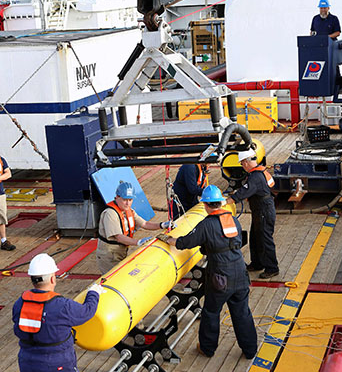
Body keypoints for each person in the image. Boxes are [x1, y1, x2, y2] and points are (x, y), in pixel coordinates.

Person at [164, 185, 258, 359]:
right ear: (220, 203)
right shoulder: (233, 220)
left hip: (221, 276)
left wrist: (171, 240)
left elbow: (187, 241)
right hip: (240, 272)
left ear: (206, 205)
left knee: (211, 312)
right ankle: (250, 350)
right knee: (242, 312)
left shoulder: (206, 224)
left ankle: (207, 348)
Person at [96, 181, 174, 274]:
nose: (127, 203)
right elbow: (119, 237)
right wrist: (138, 242)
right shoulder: (110, 214)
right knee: (114, 278)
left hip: (120, 251)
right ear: (117, 197)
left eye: (130, 200)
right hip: (109, 255)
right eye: (125, 200)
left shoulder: (129, 211)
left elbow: (144, 224)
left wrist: (161, 225)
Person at [227, 149, 279, 279]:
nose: (243, 166)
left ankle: (272, 268)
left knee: (265, 239)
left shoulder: (255, 177)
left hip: (263, 211)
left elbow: (242, 193)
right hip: (260, 210)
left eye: (242, 163)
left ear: (246, 162)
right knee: (255, 238)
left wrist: (225, 202)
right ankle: (257, 263)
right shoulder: (260, 172)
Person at [0, 154, 15, 251]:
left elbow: (8, 173)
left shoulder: (1, 160)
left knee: (1, 217)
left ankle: (4, 241)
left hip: (0, 193)